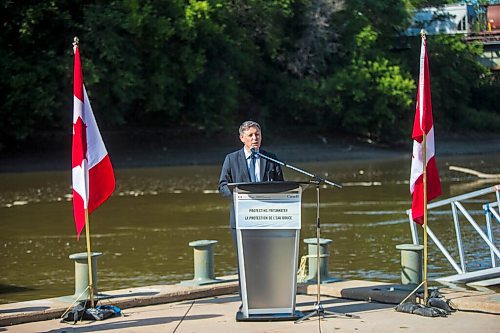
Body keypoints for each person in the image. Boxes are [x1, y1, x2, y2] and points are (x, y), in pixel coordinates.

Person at [218, 120, 284, 305]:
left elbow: (282, 187)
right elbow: (222, 185)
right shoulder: (231, 159)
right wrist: (237, 197)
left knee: (267, 259)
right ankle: (247, 300)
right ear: (242, 138)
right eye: (251, 135)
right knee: (245, 261)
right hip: (241, 218)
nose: (255, 138)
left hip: (267, 218)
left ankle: (270, 297)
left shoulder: (271, 158)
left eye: (258, 135)